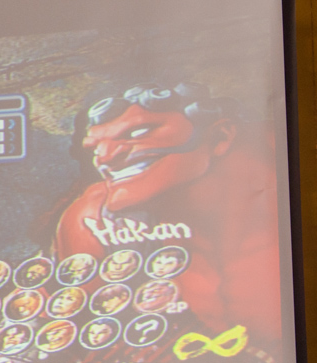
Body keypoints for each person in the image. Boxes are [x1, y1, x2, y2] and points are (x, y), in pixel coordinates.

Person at [53, 83, 281, 343]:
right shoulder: (90, 217)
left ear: (220, 137)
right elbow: (71, 320)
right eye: (94, 148)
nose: (104, 158)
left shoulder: (282, 165)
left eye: (137, 133)